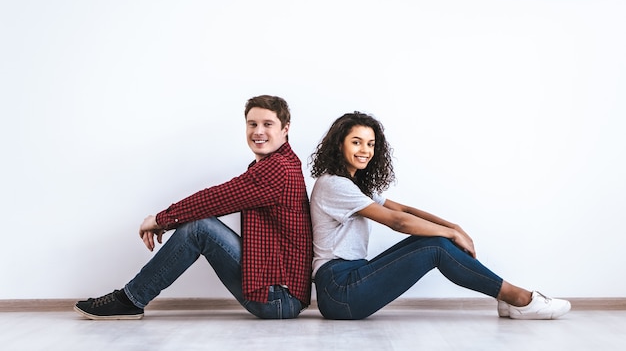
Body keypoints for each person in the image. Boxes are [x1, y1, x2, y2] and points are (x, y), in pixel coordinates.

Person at [308, 111, 570, 320]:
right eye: (356, 142)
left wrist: (452, 226)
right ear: (339, 144)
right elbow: (397, 222)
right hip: (339, 290)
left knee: (435, 242)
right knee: (436, 246)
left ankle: (507, 299)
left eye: (370, 144)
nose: (365, 149)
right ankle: (519, 298)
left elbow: (404, 210)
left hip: (350, 279)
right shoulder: (334, 184)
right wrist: (451, 233)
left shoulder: (354, 185)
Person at [74, 95, 313, 320]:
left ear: (285, 128)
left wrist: (160, 220)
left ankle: (129, 300)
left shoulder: (277, 169)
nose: (258, 131)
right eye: (252, 124)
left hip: (279, 298)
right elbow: (217, 200)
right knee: (199, 223)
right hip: (282, 295)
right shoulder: (277, 164)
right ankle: (129, 299)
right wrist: (166, 220)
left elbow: (215, 199)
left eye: (267, 124)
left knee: (199, 227)